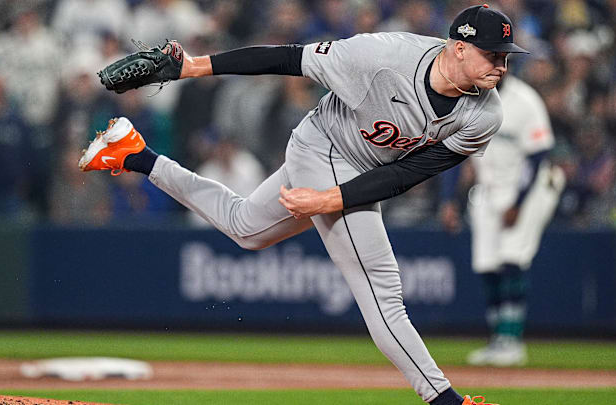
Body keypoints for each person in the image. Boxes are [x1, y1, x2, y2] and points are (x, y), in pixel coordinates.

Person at [79, 5, 527, 404]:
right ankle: (443, 399)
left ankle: (133, 153)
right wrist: (191, 67)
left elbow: (406, 175)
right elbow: (286, 58)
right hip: (322, 147)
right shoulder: (381, 57)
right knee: (383, 291)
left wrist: (329, 198)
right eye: (493, 54)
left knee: (245, 229)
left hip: (354, 172)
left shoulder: (484, 114)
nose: (501, 66)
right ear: (460, 47)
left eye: (506, 56)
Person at [440, 74, 564, 367]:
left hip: (530, 188)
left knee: (511, 258)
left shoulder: (525, 100)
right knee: (487, 264)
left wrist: (518, 204)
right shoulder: (466, 99)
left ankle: (512, 341)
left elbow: (538, 158)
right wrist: (449, 201)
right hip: (489, 187)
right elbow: (454, 155)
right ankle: (499, 340)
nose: (494, 67)